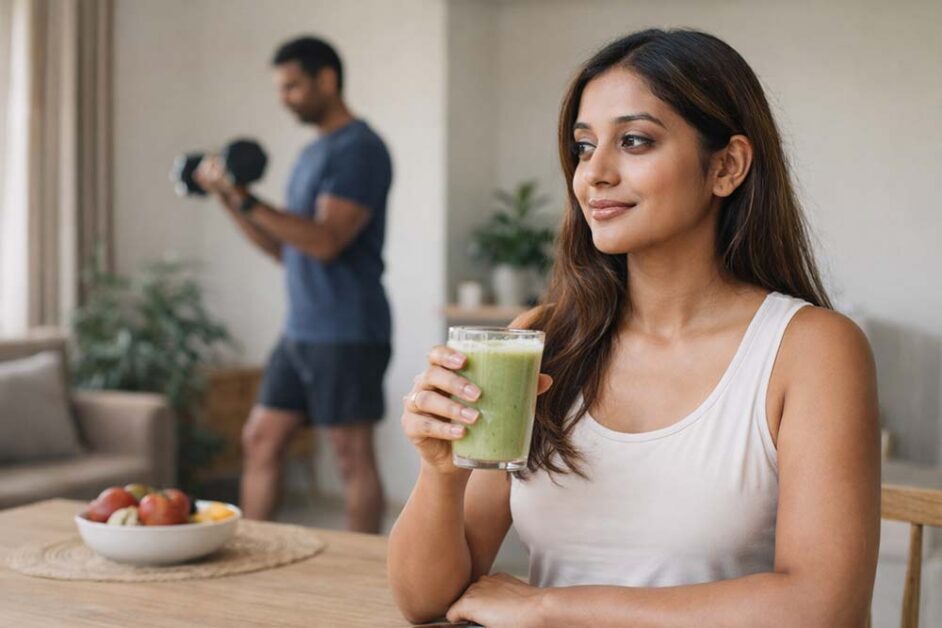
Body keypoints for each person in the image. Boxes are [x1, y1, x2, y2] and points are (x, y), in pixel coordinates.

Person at [388, 28, 880, 625]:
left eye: (635, 141)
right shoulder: (542, 341)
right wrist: (440, 473)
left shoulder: (811, 349)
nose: (594, 173)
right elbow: (425, 601)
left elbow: (824, 609)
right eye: (583, 146)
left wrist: (549, 608)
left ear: (726, 166)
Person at [195, 36, 393, 533]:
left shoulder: (360, 150)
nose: (283, 97)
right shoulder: (310, 155)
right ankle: (249, 552)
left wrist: (245, 199)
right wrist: (227, 197)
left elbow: (327, 241)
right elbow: (285, 248)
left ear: (326, 79)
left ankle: (364, 576)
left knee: (350, 455)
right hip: (301, 329)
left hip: (348, 328)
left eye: (292, 86)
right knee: (261, 438)